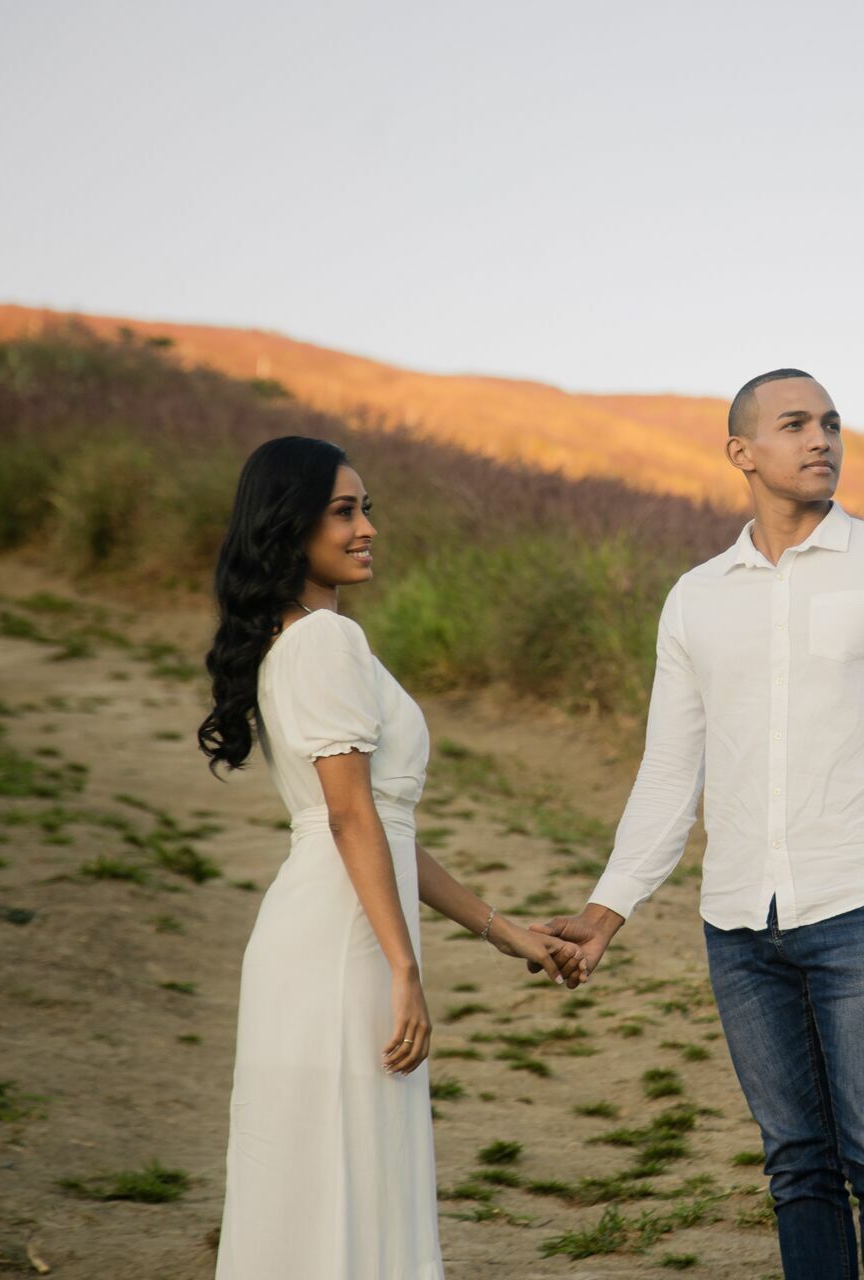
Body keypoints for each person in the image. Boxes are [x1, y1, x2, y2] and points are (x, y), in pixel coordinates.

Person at [534, 370, 864, 1279]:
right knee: (796, 1167)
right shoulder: (696, 597)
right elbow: (671, 770)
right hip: (740, 924)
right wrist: (605, 911)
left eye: (831, 423)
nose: (821, 439)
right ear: (741, 451)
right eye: (795, 424)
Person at [197, 435, 581, 1279]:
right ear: (290, 525)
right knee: (345, 1180)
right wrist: (405, 969)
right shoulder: (325, 642)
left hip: (332, 929)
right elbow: (348, 818)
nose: (367, 528)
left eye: (366, 509)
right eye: (344, 512)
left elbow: (379, 827)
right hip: (342, 947)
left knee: (322, 1185)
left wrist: (503, 930)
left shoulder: (298, 639)